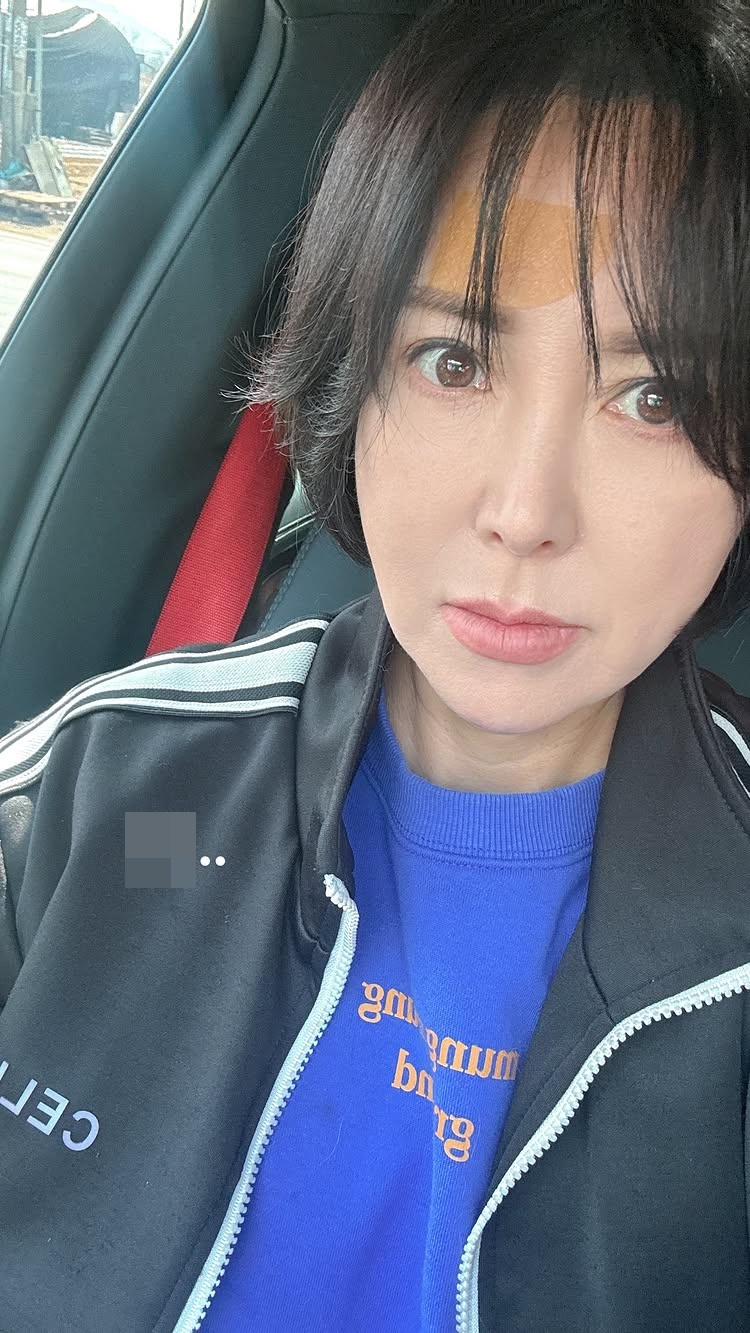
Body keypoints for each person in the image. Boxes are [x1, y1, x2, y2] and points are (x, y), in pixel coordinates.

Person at [2, 0, 750, 1328]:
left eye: (655, 398)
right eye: (452, 360)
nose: (525, 511)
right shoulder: (121, 792)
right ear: (352, 388)